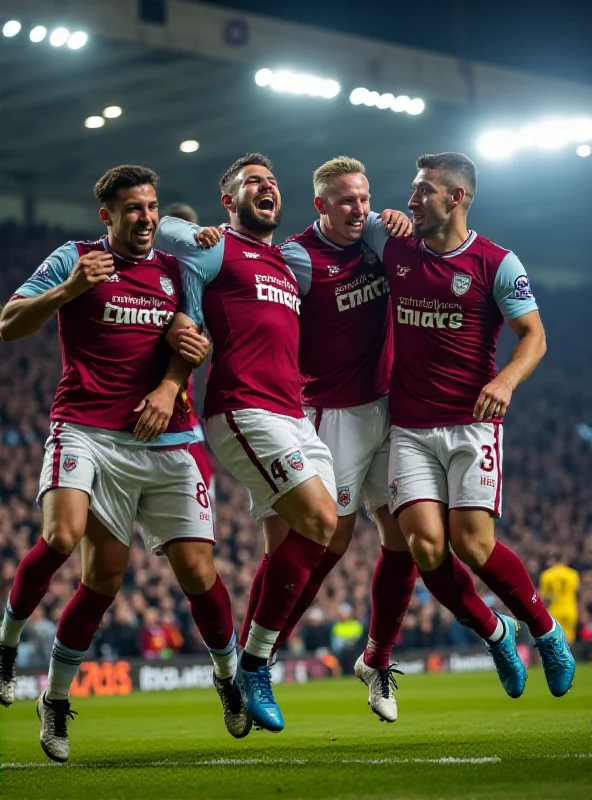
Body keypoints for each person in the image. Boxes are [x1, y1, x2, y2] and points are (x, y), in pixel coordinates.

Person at [0, 165, 249, 763]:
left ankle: (229, 677)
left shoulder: (175, 269)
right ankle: (24, 665)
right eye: (133, 209)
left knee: (196, 574)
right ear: (107, 216)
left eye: (152, 207)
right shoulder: (75, 258)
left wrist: (168, 388)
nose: (145, 218)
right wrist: (68, 290)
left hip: (168, 438)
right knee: (68, 542)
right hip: (87, 430)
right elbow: (9, 325)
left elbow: (190, 343)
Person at [362, 151, 576, 698]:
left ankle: (545, 631)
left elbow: (535, 336)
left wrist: (504, 382)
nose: (413, 200)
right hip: (409, 426)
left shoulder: (496, 262)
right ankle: (496, 633)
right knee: (426, 547)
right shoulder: (396, 247)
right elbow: (336, 225)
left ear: (456, 197)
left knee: (474, 547)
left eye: (424, 191)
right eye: (412, 191)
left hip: (471, 425)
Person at [155, 153, 338, 733]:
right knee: (322, 521)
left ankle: (243, 664)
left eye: (273, 183)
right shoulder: (216, 247)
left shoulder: (285, 264)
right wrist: (192, 229)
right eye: (253, 183)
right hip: (244, 408)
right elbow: (159, 226)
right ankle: (256, 662)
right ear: (228, 199)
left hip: (296, 414)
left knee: (299, 543)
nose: (268, 188)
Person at [235, 156, 416, 723]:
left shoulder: (377, 243)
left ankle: (378, 659)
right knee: (324, 547)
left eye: (364, 199)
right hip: (329, 414)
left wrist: (399, 223)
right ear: (320, 205)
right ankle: (254, 661)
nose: (359, 210)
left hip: (388, 406)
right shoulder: (295, 258)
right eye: (346, 201)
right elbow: (255, 297)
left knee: (405, 536)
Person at [539, 555, 580, 645]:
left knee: (555, 637)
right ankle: (568, 657)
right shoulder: (573, 574)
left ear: (553, 560)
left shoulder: (547, 575)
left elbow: (544, 597)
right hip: (570, 609)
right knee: (569, 637)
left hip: (555, 609)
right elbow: (577, 592)